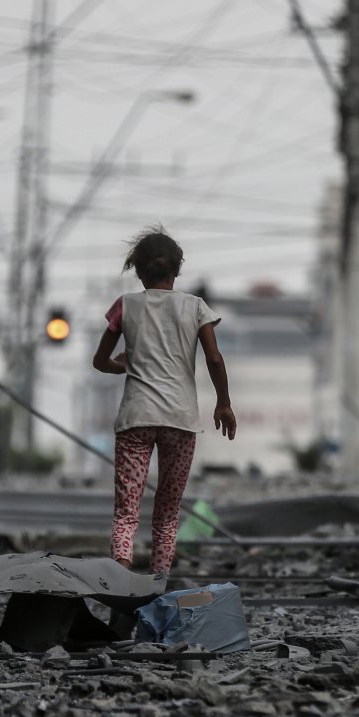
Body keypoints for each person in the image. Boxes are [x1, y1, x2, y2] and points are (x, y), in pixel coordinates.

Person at [92, 226, 236, 574]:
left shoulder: (125, 306)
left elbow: (100, 361)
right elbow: (214, 359)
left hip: (136, 419)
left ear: (138, 271)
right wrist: (223, 403)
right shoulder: (196, 307)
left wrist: (121, 365)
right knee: (168, 514)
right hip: (179, 420)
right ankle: (158, 585)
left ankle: (121, 584)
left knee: (126, 513)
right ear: (178, 268)